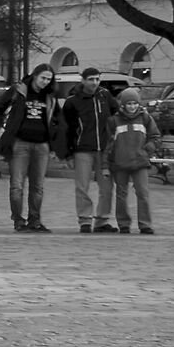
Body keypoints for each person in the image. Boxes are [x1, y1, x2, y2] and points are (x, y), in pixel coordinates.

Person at [0, 65, 62, 232]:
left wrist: (54, 140)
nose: (45, 82)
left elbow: (57, 120)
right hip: (20, 143)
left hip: (42, 145)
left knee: (38, 186)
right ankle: (18, 220)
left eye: (49, 79)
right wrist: (0, 129)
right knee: (17, 185)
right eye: (43, 78)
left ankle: (35, 220)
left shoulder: (49, 97)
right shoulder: (19, 91)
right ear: (35, 76)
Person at [95, 86, 159, 235]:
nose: (132, 107)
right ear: (123, 105)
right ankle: (123, 223)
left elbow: (155, 137)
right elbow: (108, 146)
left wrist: (148, 149)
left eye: (135, 103)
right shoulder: (114, 121)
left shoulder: (145, 118)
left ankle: (145, 224)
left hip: (140, 163)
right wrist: (105, 166)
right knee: (121, 195)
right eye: (129, 104)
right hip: (120, 164)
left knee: (143, 193)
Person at [60, 69, 114, 232]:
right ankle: (84, 219)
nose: (94, 82)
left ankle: (102, 220)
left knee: (107, 187)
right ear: (82, 80)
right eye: (91, 79)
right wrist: (67, 154)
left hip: (103, 150)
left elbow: (117, 115)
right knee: (82, 186)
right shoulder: (72, 102)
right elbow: (66, 129)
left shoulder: (105, 96)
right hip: (82, 149)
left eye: (97, 79)